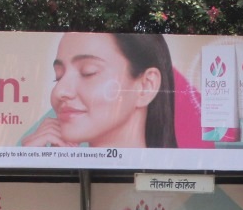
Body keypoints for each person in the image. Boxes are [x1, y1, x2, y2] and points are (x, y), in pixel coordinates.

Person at [21, 32, 177, 149]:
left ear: (145, 86)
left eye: (88, 72)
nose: (60, 91)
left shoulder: (178, 184)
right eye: (58, 76)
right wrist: (32, 168)